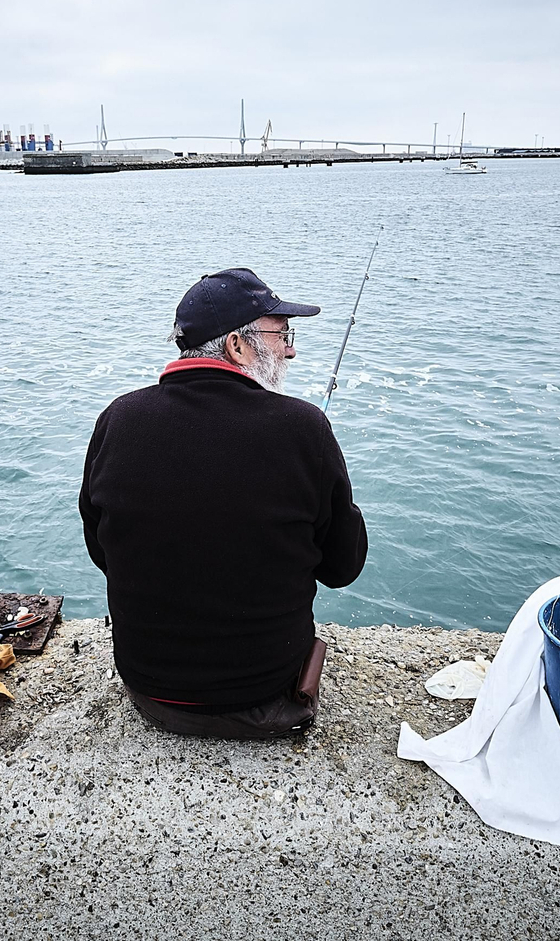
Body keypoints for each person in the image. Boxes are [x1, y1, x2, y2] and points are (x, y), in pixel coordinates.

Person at [78, 267, 368, 738]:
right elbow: (342, 568)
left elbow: (101, 551)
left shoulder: (117, 419)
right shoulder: (303, 428)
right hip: (266, 696)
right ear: (237, 345)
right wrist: (337, 498)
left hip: (149, 693)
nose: (291, 348)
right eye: (283, 334)